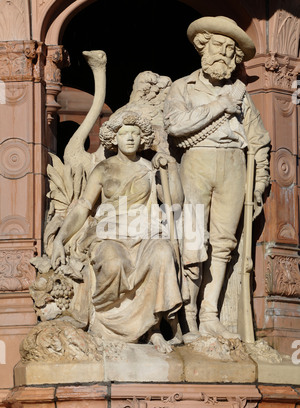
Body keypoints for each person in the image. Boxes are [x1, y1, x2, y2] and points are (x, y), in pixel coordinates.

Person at [163, 16, 271, 340]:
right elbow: (175, 125)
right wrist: (219, 106)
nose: (222, 54)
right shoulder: (182, 87)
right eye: (217, 46)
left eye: (230, 49)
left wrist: (259, 185)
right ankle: (187, 316)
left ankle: (210, 313)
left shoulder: (241, 95)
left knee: (224, 245)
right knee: (193, 242)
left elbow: (260, 140)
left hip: (234, 168)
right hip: (196, 163)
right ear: (203, 47)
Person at [51, 111, 184, 353]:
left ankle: (152, 329)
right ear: (115, 138)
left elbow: (174, 202)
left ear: (142, 137)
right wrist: (61, 239)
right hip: (110, 234)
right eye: (124, 134)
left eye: (135, 133)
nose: (130, 138)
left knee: (163, 253)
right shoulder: (104, 169)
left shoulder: (149, 168)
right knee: (113, 263)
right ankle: (105, 325)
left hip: (144, 233)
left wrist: (171, 169)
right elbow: (83, 206)